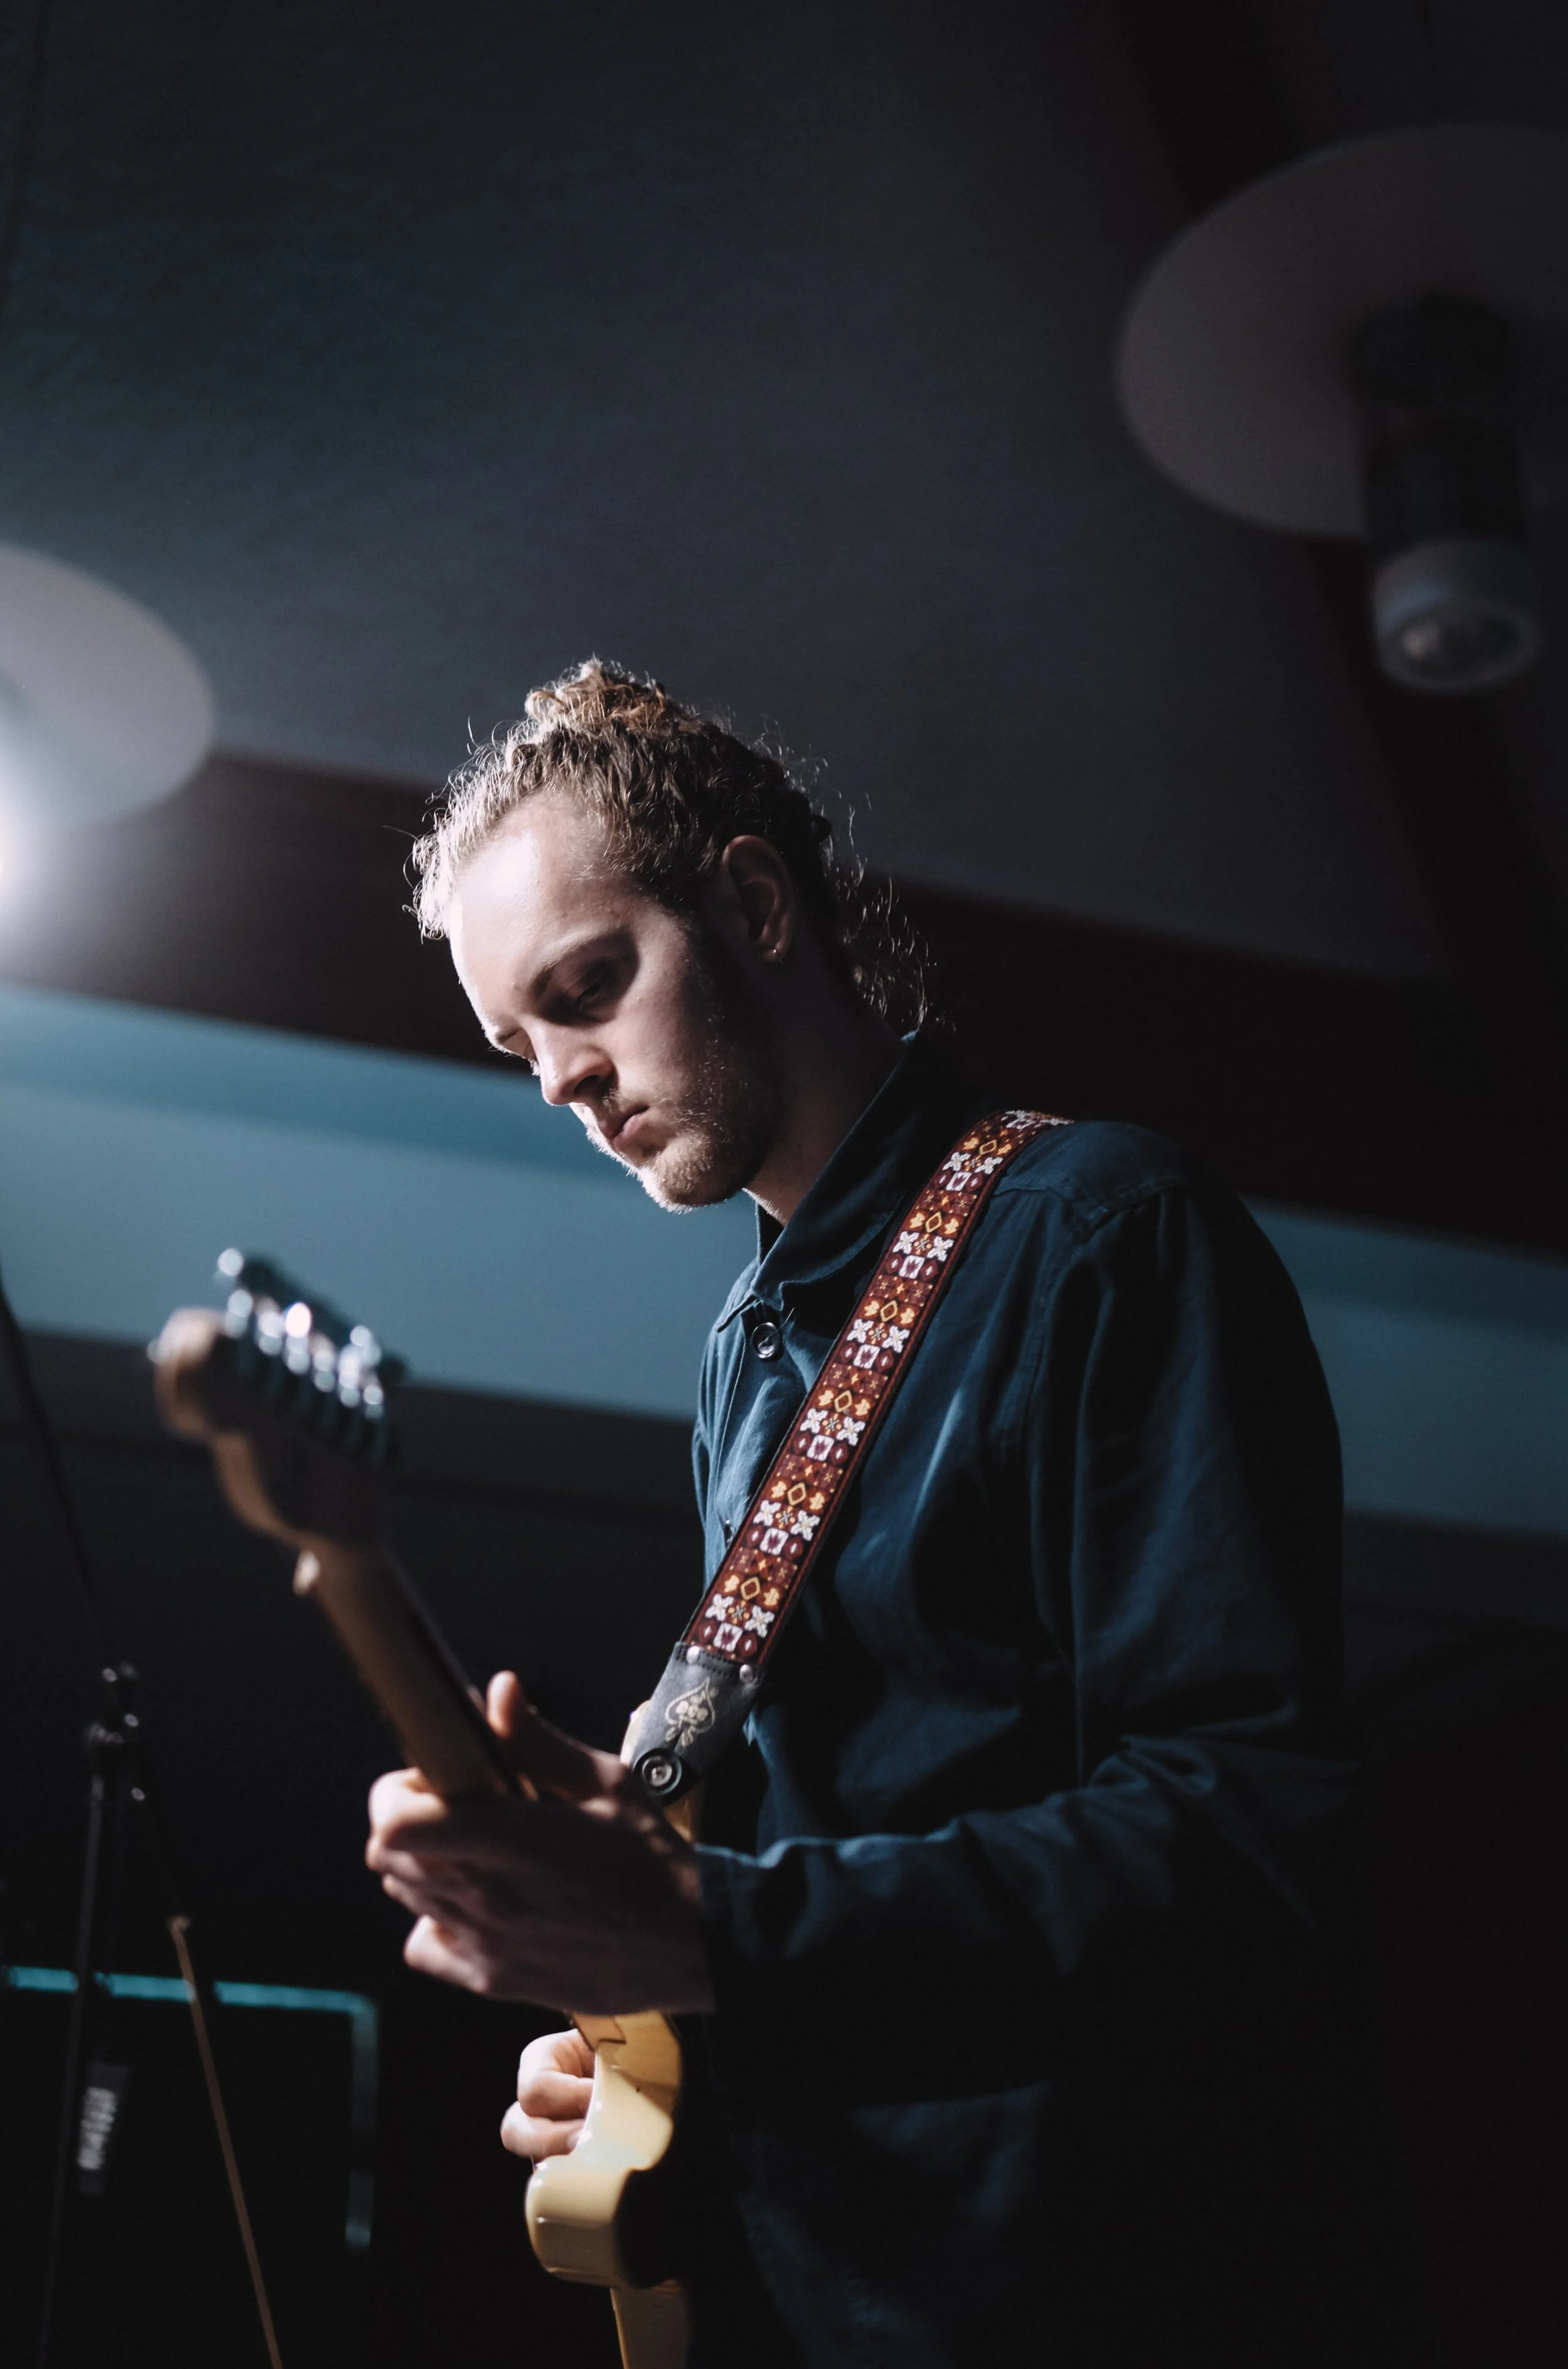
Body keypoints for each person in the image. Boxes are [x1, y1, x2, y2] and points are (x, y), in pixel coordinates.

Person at [365, 662, 1404, 2366]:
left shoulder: (1091, 1229)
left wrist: (716, 1934)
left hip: (1109, 2292)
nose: (564, 1076)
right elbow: (826, 1853)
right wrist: (657, 1971)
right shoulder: (743, 1355)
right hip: (834, 2287)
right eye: (519, 1041)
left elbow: (1238, 1837)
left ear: (757, 903)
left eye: (591, 985)